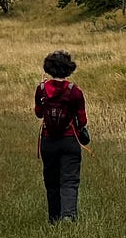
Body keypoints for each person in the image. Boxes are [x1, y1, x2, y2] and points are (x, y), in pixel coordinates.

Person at [35, 49, 88, 224]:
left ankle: (53, 218)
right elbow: (82, 120)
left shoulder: (41, 89)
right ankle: (68, 215)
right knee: (70, 179)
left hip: (48, 140)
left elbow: (38, 113)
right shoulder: (75, 91)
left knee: (51, 180)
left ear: (48, 68)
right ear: (68, 69)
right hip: (69, 140)